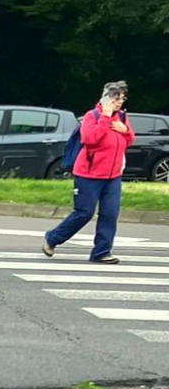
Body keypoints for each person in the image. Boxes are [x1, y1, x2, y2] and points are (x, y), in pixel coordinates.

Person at [45, 80, 133, 264]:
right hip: (89, 174)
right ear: (106, 99)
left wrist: (124, 131)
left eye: (122, 99)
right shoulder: (92, 116)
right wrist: (105, 119)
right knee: (84, 212)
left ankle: (101, 252)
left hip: (113, 176)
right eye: (117, 99)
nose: (120, 103)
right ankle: (53, 238)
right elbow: (90, 139)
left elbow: (129, 140)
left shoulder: (122, 118)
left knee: (110, 213)